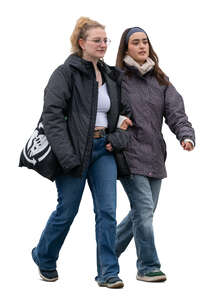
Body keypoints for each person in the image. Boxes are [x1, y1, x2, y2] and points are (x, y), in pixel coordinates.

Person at [31, 17, 132, 289]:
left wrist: (117, 139)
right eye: (97, 40)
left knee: (107, 211)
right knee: (67, 210)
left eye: (105, 40)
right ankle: (44, 256)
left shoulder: (112, 76)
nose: (103, 44)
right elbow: (52, 117)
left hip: (104, 151)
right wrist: (67, 156)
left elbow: (127, 116)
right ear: (82, 43)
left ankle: (109, 272)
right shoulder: (65, 74)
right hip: (73, 153)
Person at [114, 27, 195, 283]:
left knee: (142, 213)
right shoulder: (117, 78)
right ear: (126, 48)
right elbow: (105, 109)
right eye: (135, 42)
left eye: (145, 42)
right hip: (129, 153)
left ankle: (107, 251)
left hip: (155, 156)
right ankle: (148, 266)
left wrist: (186, 135)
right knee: (145, 211)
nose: (141, 46)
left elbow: (176, 112)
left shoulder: (160, 80)